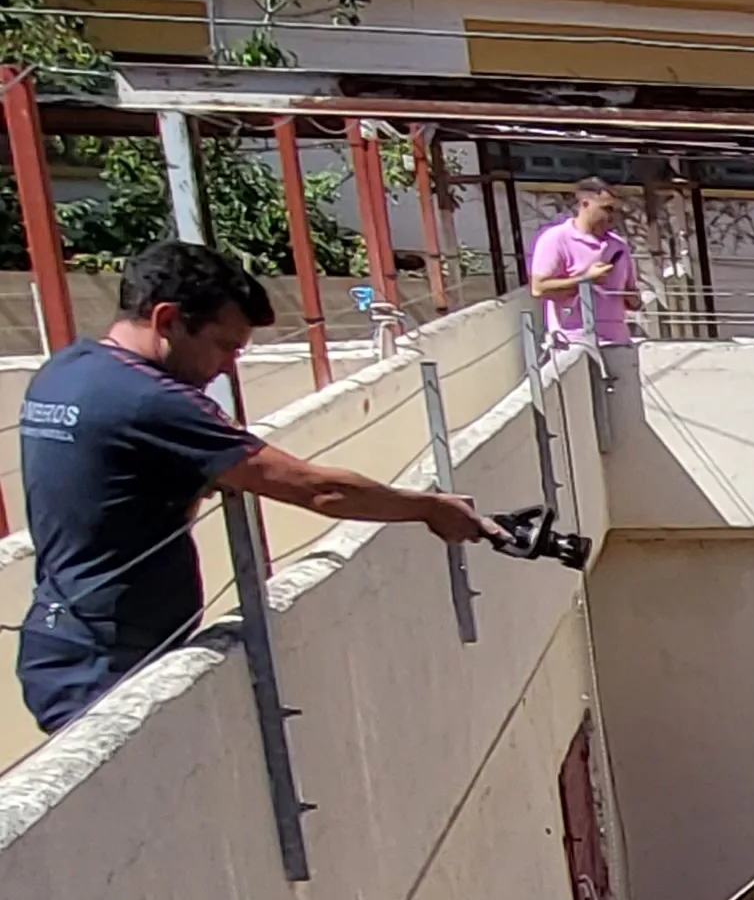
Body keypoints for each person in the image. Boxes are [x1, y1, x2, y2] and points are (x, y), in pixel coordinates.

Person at [15, 240, 490, 739]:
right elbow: (315, 490)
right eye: (225, 346)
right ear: (167, 320)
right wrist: (429, 508)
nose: (226, 367)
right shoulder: (150, 401)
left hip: (64, 639)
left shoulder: (66, 372)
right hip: (107, 661)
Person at [526, 178, 640, 351]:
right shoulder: (556, 239)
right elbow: (538, 288)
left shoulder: (618, 245)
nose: (612, 215)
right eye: (606, 209)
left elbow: (632, 294)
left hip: (618, 342)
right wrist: (587, 280)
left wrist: (634, 299)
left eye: (614, 209)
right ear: (586, 204)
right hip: (573, 344)